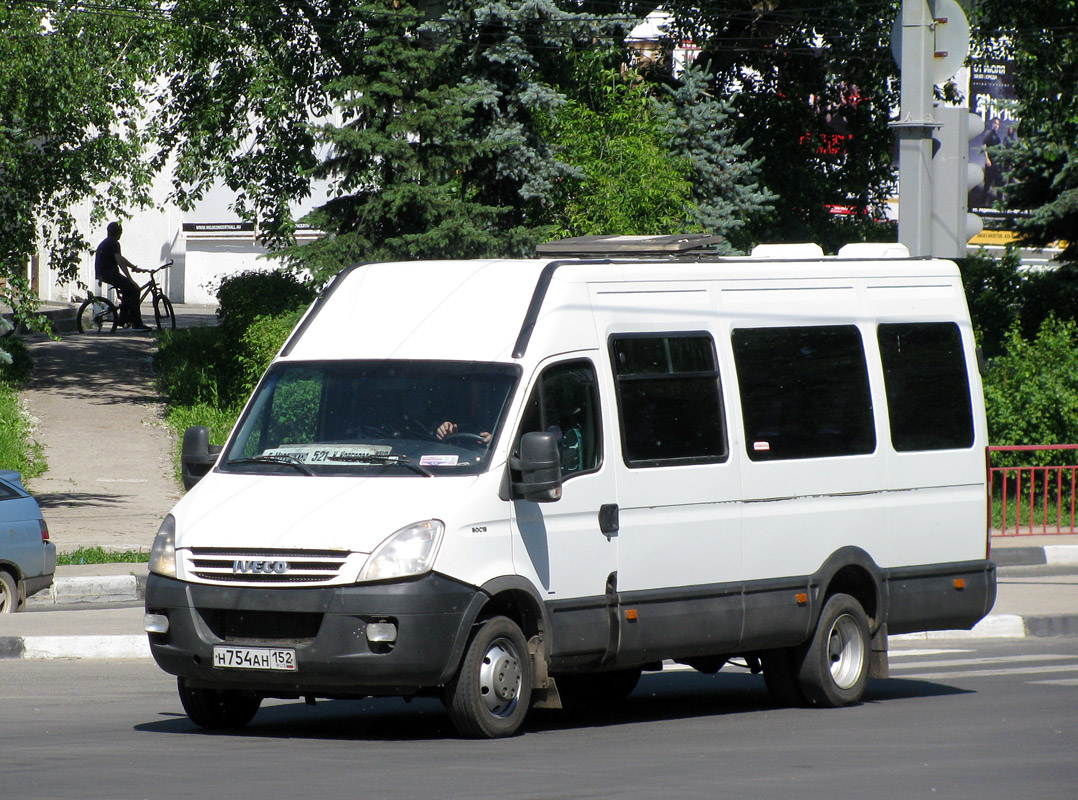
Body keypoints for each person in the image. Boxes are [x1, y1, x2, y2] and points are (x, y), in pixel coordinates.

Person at [94, 222, 148, 330]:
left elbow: (120, 258)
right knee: (134, 290)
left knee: (127, 291)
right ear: (118, 232)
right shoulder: (114, 243)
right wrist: (131, 279)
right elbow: (119, 261)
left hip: (103, 273)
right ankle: (137, 324)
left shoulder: (107, 242)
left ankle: (123, 317)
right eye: (121, 232)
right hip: (109, 273)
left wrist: (134, 267)